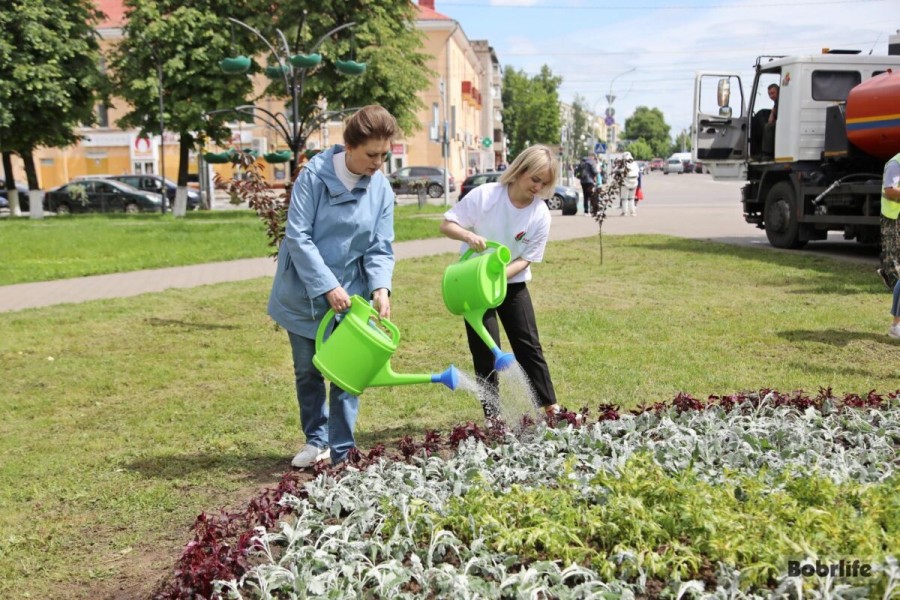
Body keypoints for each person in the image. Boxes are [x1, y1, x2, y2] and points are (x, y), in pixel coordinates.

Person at [268, 105, 398, 468]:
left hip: (351, 293)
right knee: (307, 369)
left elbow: (379, 246)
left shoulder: (381, 189)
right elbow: (298, 236)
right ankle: (316, 439)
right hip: (304, 290)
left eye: (384, 155)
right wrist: (327, 285)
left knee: (347, 371)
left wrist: (380, 288)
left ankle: (342, 451)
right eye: (371, 154)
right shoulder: (314, 176)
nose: (378, 163)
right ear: (349, 147)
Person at [439, 144, 563, 419]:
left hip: (512, 283)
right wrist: (469, 237)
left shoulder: (540, 214)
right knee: (485, 350)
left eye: (544, 183)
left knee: (528, 345)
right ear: (520, 171)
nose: (538, 187)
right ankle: (492, 417)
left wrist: (495, 276)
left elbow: (527, 259)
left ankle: (551, 408)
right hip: (474, 285)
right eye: (535, 179)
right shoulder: (486, 196)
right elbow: (447, 224)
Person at [877, 152, 900, 337]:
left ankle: (896, 325)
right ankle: (896, 326)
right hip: (892, 221)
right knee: (898, 275)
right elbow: (889, 189)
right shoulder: (895, 163)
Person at [617, 152, 640, 216]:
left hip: (625, 183)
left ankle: (625, 212)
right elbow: (638, 173)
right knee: (632, 198)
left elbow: (619, 171)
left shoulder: (623, 164)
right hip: (634, 183)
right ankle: (632, 212)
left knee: (624, 199)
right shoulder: (635, 164)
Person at [761, 83, 779, 159]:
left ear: (778, 92)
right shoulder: (776, 103)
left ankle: (767, 153)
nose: (771, 96)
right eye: (769, 94)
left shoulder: (783, 100)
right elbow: (770, 120)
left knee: (768, 127)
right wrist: (772, 111)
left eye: (773, 93)